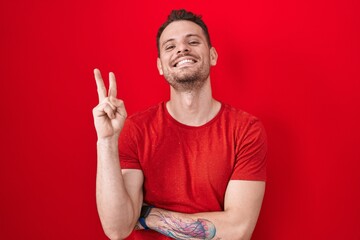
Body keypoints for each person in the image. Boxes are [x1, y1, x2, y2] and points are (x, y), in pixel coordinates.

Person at [93, 9, 267, 240]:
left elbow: (238, 231)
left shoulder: (246, 130)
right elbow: (117, 228)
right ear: (160, 66)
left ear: (212, 55)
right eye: (170, 46)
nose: (182, 49)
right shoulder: (135, 128)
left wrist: (148, 216)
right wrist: (107, 141)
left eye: (193, 41)